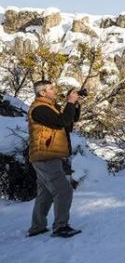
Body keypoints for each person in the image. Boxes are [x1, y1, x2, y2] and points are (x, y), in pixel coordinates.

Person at [26, 80, 83, 238]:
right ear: (42, 93)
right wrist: (70, 102)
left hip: (46, 155)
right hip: (45, 156)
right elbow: (63, 121)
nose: (55, 90)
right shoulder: (40, 108)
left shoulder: (50, 108)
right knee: (64, 190)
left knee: (45, 193)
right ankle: (60, 227)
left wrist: (75, 104)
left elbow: (69, 121)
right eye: (51, 88)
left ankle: (37, 227)